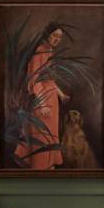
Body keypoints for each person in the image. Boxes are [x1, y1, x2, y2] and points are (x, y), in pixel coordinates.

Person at [14, 22, 69, 169]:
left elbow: (50, 81)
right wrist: (42, 103)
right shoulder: (39, 52)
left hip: (52, 100)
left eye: (60, 37)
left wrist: (61, 95)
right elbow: (33, 79)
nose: (57, 39)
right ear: (47, 35)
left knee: (51, 134)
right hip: (42, 101)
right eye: (54, 35)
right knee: (41, 135)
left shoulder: (50, 52)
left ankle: (50, 166)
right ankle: (39, 168)